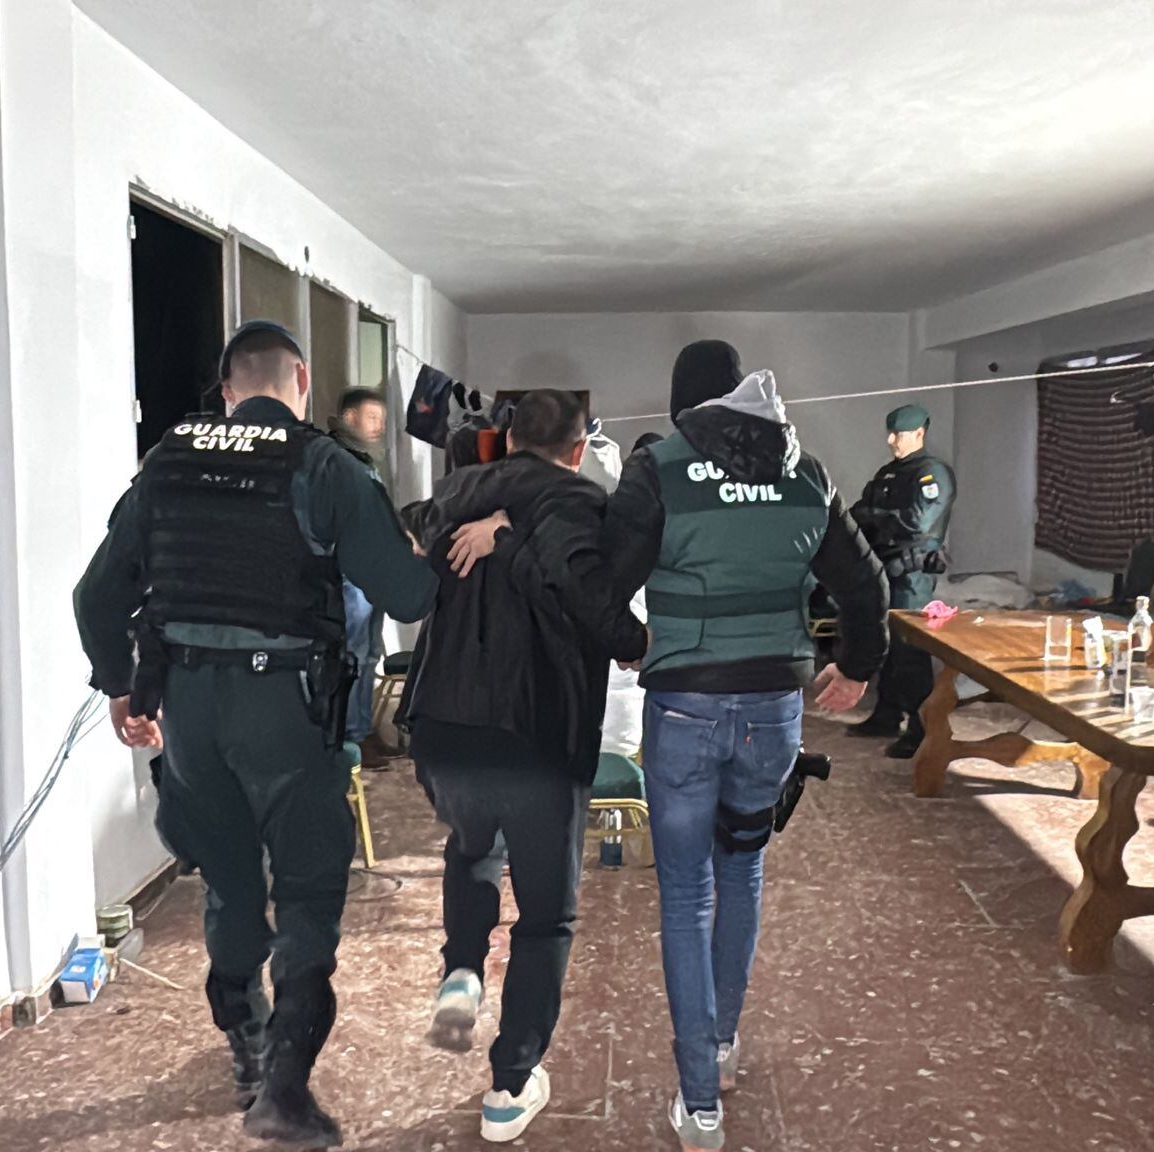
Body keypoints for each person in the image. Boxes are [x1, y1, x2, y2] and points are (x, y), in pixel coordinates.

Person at [72, 320, 437, 1149]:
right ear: (300, 381)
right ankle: (284, 1087)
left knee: (231, 884)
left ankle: (245, 1040)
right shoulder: (325, 466)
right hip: (288, 710)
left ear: (230, 391)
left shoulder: (166, 463)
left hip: (189, 711)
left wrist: (122, 687)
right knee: (307, 888)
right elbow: (409, 596)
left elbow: (96, 598)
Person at [603, 340, 888, 1152]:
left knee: (686, 895)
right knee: (742, 869)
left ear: (684, 406)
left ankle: (700, 1105)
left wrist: (631, 643)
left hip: (685, 712)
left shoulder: (659, 468)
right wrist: (857, 667)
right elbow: (866, 584)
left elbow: (598, 585)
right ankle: (724, 1043)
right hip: (773, 713)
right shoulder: (806, 471)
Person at [398, 389, 648, 1143]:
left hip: (443, 729)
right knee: (545, 917)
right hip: (536, 735)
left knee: (472, 849)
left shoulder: (455, 492)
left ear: (507, 440)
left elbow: (410, 525)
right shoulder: (579, 502)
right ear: (579, 448)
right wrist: (639, 642)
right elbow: (602, 618)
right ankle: (509, 1086)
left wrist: (483, 527)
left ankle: (462, 971)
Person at [845, 403, 956, 759]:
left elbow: (915, 523)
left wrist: (876, 516)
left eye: (900, 434)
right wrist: (879, 517)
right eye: (890, 433)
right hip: (882, 568)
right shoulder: (888, 474)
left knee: (910, 652)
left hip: (911, 575)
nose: (892, 440)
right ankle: (887, 715)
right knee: (888, 646)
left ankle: (922, 730)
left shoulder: (931, 474)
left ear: (920, 433)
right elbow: (857, 514)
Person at [329, 388, 396, 766]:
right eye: (372, 418)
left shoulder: (364, 461)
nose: (379, 427)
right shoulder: (337, 461)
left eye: (382, 420)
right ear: (349, 418)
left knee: (369, 654)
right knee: (353, 655)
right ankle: (352, 735)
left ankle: (363, 729)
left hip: (370, 573)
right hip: (349, 574)